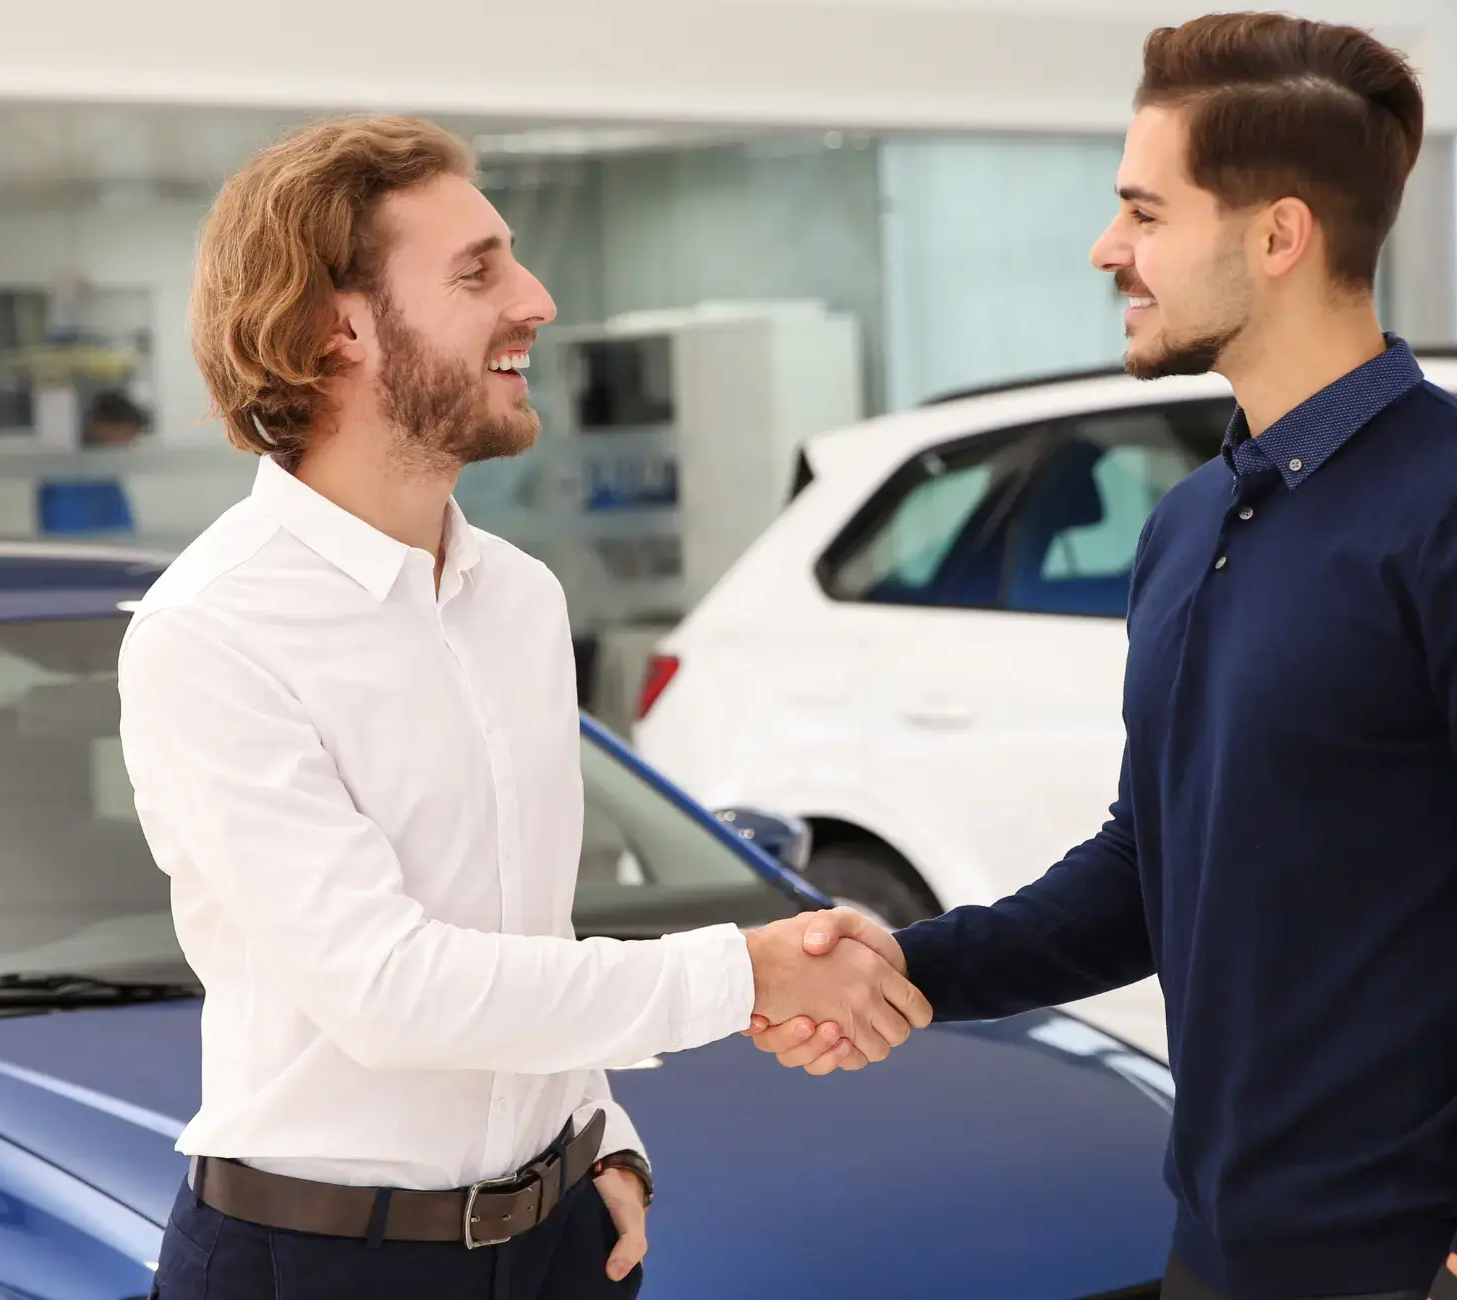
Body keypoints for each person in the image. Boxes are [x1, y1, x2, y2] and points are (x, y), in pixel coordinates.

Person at [752, 13, 1457, 1300]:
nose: (1107, 248)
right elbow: (1153, 866)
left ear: (1278, 236)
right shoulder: (1195, 522)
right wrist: (912, 963)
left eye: (1143, 210)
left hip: (1426, 1268)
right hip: (1212, 1253)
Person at [115, 116, 930, 1300]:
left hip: (555, 1243)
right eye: (477, 270)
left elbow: (518, 937)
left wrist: (598, 1131)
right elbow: (388, 990)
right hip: (319, 1264)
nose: (537, 300)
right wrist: (745, 974)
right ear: (333, 326)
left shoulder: (520, 599)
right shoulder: (212, 630)